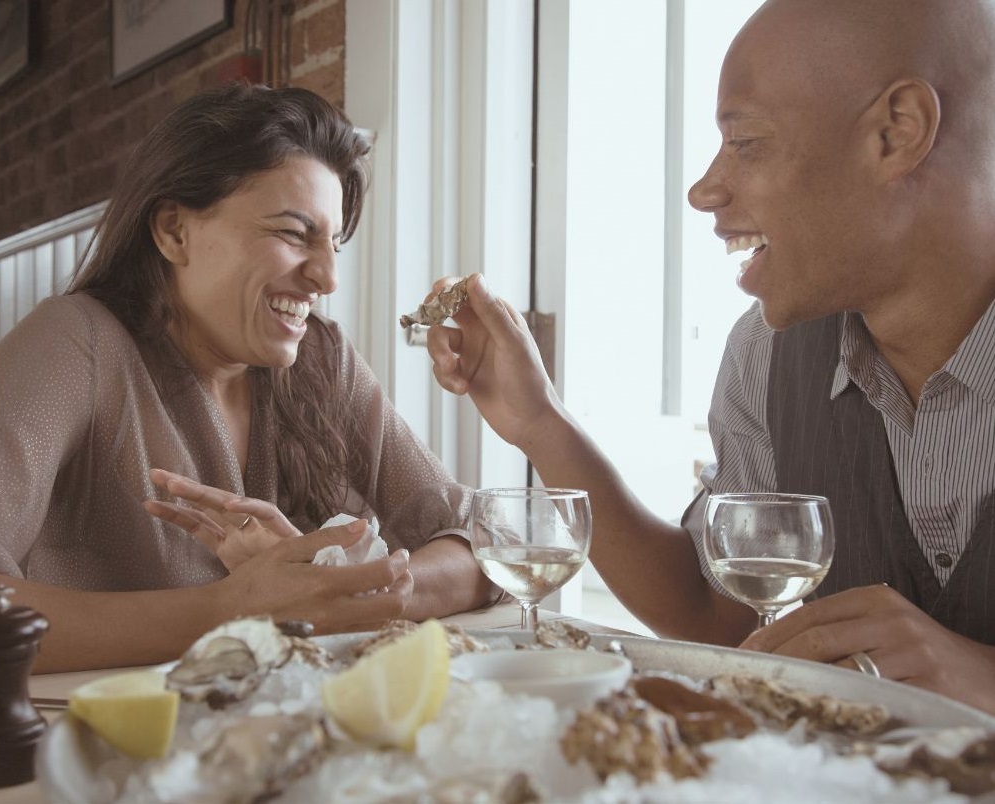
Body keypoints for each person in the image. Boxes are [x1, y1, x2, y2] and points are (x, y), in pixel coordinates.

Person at [425, 0, 995, 715]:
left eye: (747, 142)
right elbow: (713, 611)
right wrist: (539, 421)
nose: (704, 190)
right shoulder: (766, 355)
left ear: (896, 131)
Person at [0, 83, 493, 675]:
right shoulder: (76, 344)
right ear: (174, 230)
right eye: (294, 234)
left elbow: (482, 546)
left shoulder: (325, 360)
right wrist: (230, 610)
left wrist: (343, 589)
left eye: (334, 244)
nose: (327, 278)